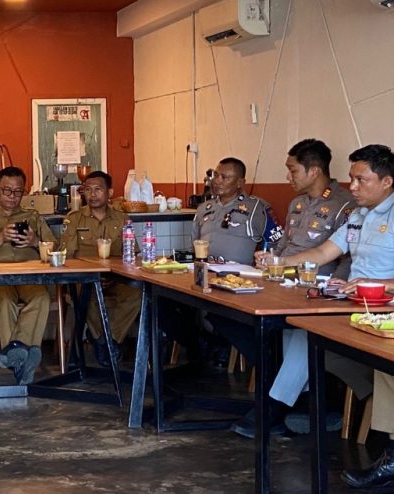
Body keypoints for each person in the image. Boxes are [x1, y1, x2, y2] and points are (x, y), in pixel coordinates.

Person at [273, 144, 394, 489]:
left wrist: (377, 285)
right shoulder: (357, 216)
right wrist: (279, 262)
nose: (352, 186)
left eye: (361, 179)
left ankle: (389, 453)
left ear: (386, 181)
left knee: (382, 366)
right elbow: (325, 251)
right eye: (351, 178)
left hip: (385, 311)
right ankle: (369, 400)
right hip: (354, 307)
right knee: (310, 336)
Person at [227, 139, 365, 438]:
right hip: (281, 281)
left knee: (297, 331)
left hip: (316, 289)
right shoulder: (297, 204)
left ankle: (275, 407)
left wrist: (335, 292)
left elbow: (345, 258)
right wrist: (268, 257)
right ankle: (303, 399)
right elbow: (284, 245)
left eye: (293, 170)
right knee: (228, 314)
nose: (288, 176)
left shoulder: (345, 206)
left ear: (314, 171)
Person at [163, 158, 282, 367]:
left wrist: (263, 263)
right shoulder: (204, 208)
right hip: (202, 273)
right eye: (215, 175)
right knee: (164, 302)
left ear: (240, 182)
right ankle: (198, 342)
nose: (217, 181)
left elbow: (276, 241)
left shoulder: (255, 208)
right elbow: (194, 244)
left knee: (218, 312)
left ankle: (217, 344)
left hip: (237, 279)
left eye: (224, 177)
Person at [0, 166, 57, 384]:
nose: (12, 196)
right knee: (4, 301)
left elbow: (54, 250)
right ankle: (24, 360)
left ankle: (15, 353)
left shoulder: (32, 216)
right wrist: (1, 237)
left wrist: (34, 242)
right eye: (7, 190)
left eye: (18, 191)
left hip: (29, 275)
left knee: (41, 298)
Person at [59, 170, 141, 366]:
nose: (92, 194)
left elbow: (132, 255)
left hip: (117, 277)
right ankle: (103, 341)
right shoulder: (74, 219)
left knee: (137, 292)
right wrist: (92, 275)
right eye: (88, 190)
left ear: (109, 192)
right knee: (86, 294)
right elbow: (67, 256)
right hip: (85, 278)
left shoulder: (122, 219)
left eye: (98, 189)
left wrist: (114, 275)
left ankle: (109, 340)